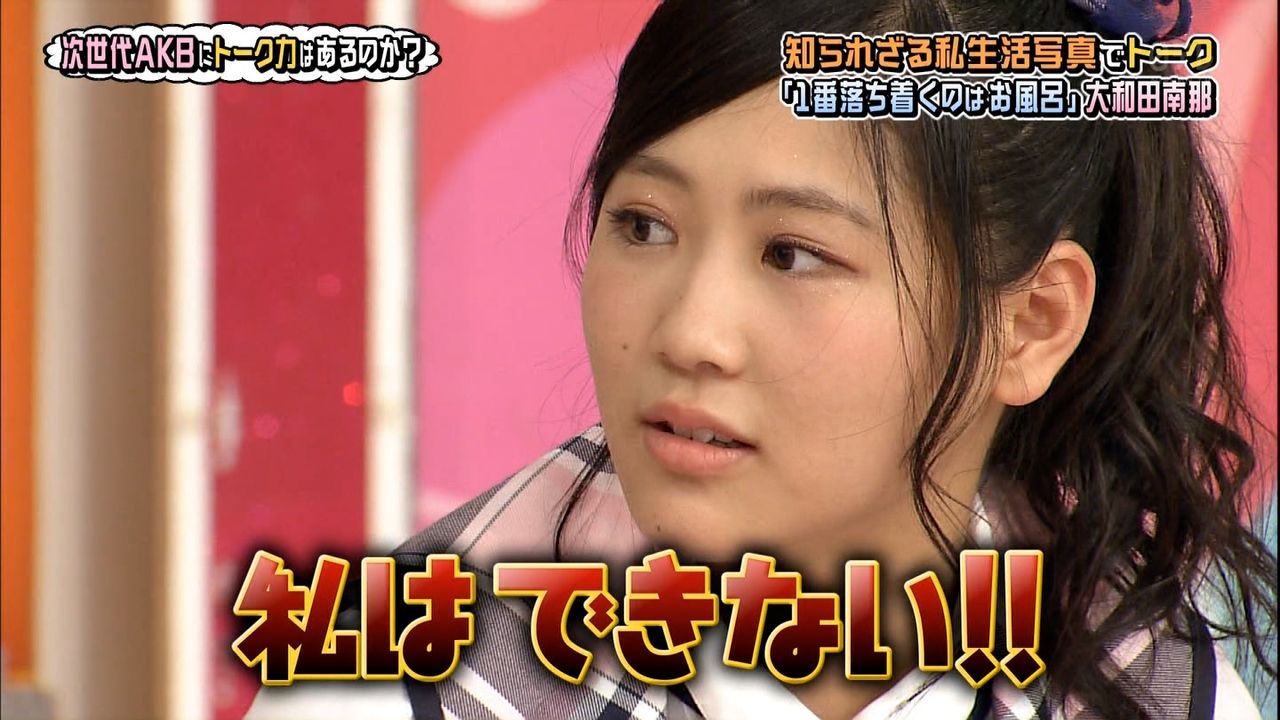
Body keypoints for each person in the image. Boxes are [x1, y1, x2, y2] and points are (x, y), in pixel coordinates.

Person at [245, 1, 1277, 718]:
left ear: (1032, 323)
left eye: (792, 254)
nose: (689, 334)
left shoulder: (1150, 690)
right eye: (644, 226)